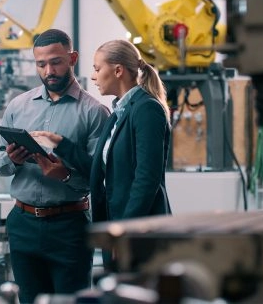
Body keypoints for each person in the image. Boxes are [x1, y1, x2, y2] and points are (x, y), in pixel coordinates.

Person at [0, 29, 110, 303]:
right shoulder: (18, 106)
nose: (48, 71)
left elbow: (99, 178)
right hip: (23, 223)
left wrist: (65, 175)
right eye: (41, 64)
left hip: (69, 227)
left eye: (55, 62)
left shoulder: (94, 113)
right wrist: (12, 158)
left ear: (72, 58)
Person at [32, 39, 172, 270]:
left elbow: (147, 179)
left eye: (97, 69)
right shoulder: (119, 111)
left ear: (118, 71)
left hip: (138, 229)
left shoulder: (146, 109)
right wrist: (60, 144)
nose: (94, 77)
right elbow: (101, 169)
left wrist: (124, 232)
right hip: (116, 225)